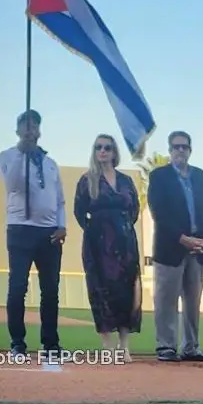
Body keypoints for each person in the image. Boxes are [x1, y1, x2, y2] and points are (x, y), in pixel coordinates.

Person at [0, 109, 66, 358]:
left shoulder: (50, 163)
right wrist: (21, 152)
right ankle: (18, 342)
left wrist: (62, 226)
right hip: (20, 229)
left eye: (35, 125)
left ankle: (51, 344)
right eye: (26, 125)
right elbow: (13, 185)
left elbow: (59, 200)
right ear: (18, 130)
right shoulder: (7, 156)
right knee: (18, 287)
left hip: (49, 232)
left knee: (51, 290)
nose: (31, 129)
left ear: (39, 130)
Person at [147, 130, 203, 363]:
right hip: (171, 247)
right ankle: (166, 346)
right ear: (170, 150)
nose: (180, 151)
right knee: (166, 300)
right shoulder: (160, 176)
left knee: (193, 302)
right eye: (176, 147)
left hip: (198, 249)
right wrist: (182, 238)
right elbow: (159, 212)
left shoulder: (200, 176)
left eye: (184, 147)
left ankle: (191, 347)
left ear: (190, 150)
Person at [74, 134, 141, 361]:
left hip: (125, 243)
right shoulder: (87, 180)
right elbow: (79, 211)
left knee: (126, 290)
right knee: (100, 289)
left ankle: (124, 345)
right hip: (98, 244)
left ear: (114, 152)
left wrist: (121, 228)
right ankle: (107, 345)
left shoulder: (126, 181)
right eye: (98, 147)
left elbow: (134, 210)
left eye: (107, 148)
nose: (103, 151)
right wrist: (96, 231)